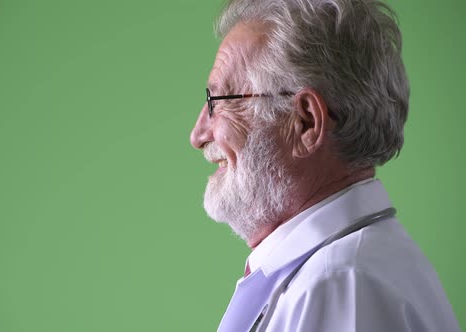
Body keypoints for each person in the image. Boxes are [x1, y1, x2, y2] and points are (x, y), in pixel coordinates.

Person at [189, 0, 461, 331]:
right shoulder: (340, 272)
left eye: (217, 102)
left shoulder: (339, 286)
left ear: (305, 122)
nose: (198, 134)